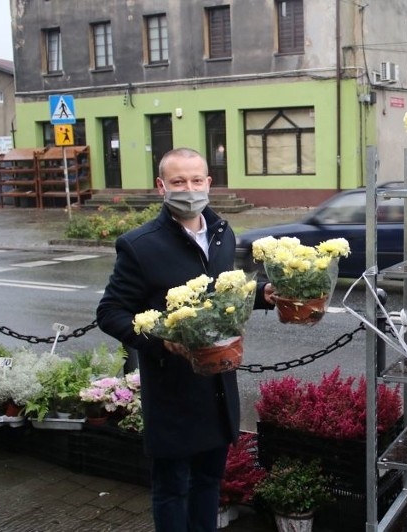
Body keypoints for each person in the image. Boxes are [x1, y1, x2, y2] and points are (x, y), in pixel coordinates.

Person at [96, 147, 274, 532]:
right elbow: (110, 313)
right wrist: (162, 341)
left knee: (210, 480)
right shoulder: (140, 245)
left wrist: (263, 295)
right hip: (173, 390)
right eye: (178, 182)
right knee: (173, 487)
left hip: (218, 384)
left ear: (209, 183)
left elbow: (223, 294)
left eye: (196, 180)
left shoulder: (223, 234)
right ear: (162, 186)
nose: (188, 189)